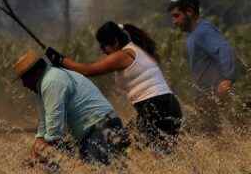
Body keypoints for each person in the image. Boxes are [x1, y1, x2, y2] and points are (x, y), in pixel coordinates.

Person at [45, 22, 182, 153]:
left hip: (154, 106)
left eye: (104, 47)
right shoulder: (136, 49)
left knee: (144, 151)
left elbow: (88, 70)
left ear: (115, 42)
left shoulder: (124, 55)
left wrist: (61, 60)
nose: (104, 52)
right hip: (167, 105)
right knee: (158, 152)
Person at [15, 50, 129, 165]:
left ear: (36, 71)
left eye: (25, 79)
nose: (24, 84)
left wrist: (41, 151)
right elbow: (43, 125)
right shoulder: (41, 89)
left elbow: (54, 125)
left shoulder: (51, 81)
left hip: (100, 128)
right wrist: (34, 153)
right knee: (109, 172)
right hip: (94, 131)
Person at [168, 0, 238, 131]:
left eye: (177, 16)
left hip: (214, 94)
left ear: (189, 12)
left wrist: (227, 79)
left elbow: (224, 50)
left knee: (212, 137)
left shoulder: (203, 31)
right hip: (205, 96)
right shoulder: (193, 34)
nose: (174, 22)